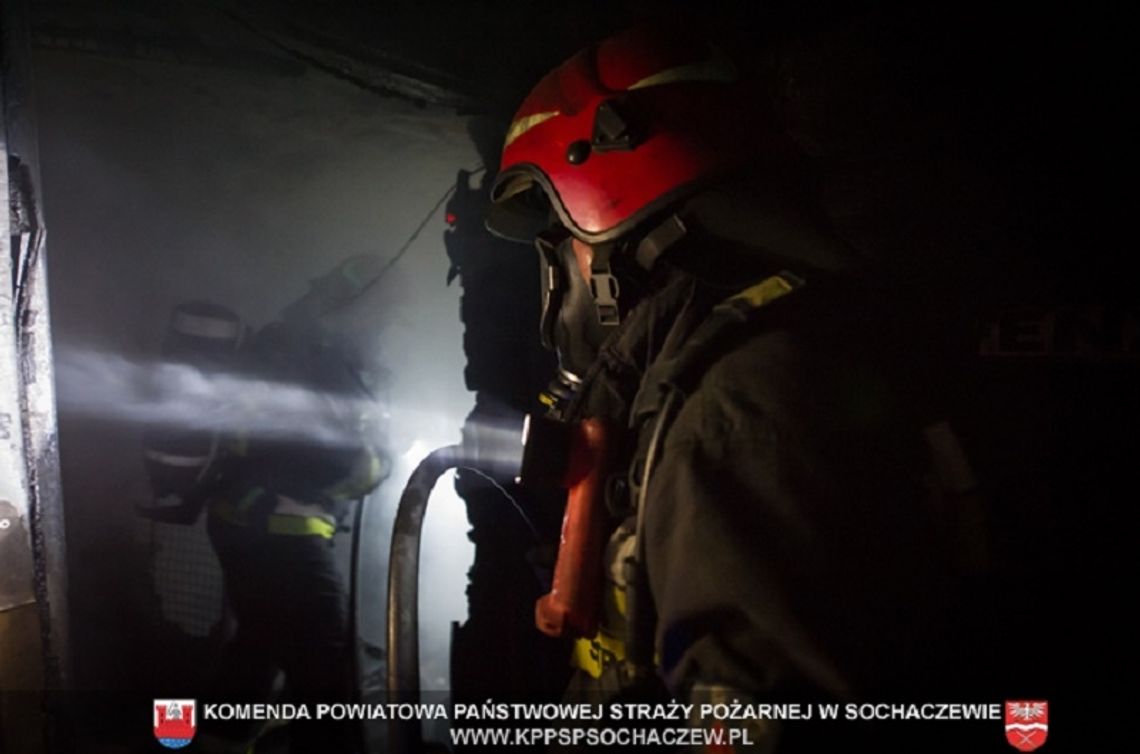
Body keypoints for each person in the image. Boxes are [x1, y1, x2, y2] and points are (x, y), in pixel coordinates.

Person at [486, 24, 1016, 751]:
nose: (560, 274)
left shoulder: (735, 409)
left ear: (607, 210)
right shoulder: (760, 357)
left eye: (561, 241)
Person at [141, 295, 387, 754]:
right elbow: (353, 470)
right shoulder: (317, 372)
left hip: (235, 528)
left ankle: (194, 742)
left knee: (258, 644)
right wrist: (379, 448)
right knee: (326, 668)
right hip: (288, 541)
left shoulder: (265, 366)